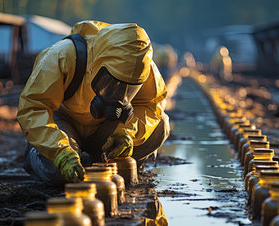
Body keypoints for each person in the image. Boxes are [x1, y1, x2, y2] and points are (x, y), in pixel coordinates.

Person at [17, 21, 169, 185]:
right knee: (59, 172)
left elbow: (152, 106)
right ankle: (36, 154)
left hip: (108, 129)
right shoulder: (63, 56)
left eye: (129, 89)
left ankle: (100, 158)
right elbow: (33, 107)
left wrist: (128, 133)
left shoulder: (143, 68)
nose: (118, 96)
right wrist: (59, 150)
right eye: (112, 84)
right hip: (66, 123)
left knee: (162, 126)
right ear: (96, 64)